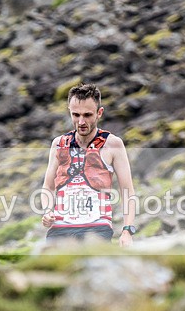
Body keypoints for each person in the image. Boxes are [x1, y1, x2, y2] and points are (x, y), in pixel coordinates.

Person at [41, 83, 137, 246]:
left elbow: (127, 191)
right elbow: (48, 187)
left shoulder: (113, 144)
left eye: (87, 115)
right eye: (76, 115)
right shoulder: (59, 144)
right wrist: (47, 211)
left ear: (99, 113)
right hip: (60, 228)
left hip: (97, 228)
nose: (81, 121)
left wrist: (127, 231)